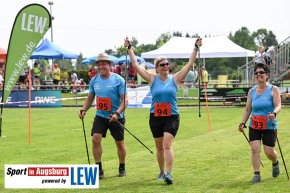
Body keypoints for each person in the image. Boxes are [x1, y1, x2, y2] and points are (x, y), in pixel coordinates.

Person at [124, 37, 202, 184]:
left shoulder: (176, 78)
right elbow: (135, 64)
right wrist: (129, 48)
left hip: (171, 116)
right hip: (155, 116)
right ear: (157, 67)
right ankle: (161, 171)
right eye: (162, 64)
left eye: (167, 64)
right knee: (159, 147)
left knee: (167, 144)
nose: (166, 66)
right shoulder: (152, 79)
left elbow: (190, 63)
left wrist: (196, 47)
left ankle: (169, 173)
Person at [78, 53, 128, 179]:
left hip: (116, 116)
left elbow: (125, 100)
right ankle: (98, 168)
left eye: (103, 64)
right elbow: (90, 98)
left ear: (109, 65)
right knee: (95, 138)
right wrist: (84, 109)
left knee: (120, 143)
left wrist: (117, 113)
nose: (101, 66)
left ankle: (122, 166)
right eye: (99, 64)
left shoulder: (118, 80)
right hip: (101, 115)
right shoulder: (94, 80)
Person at [238, 63, 281, 183]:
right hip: (254, 125)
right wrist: (243, 123)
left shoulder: (273, 89)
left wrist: (274, 113)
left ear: (267, 75)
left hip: (269, 125)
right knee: (254, 149)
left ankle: (275, 162)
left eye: (261, 72)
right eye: (256, 73)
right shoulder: (252, 92)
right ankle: (256, 174)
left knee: (269, 152)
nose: (258, 75)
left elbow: (278, 105)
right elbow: (247, 109)